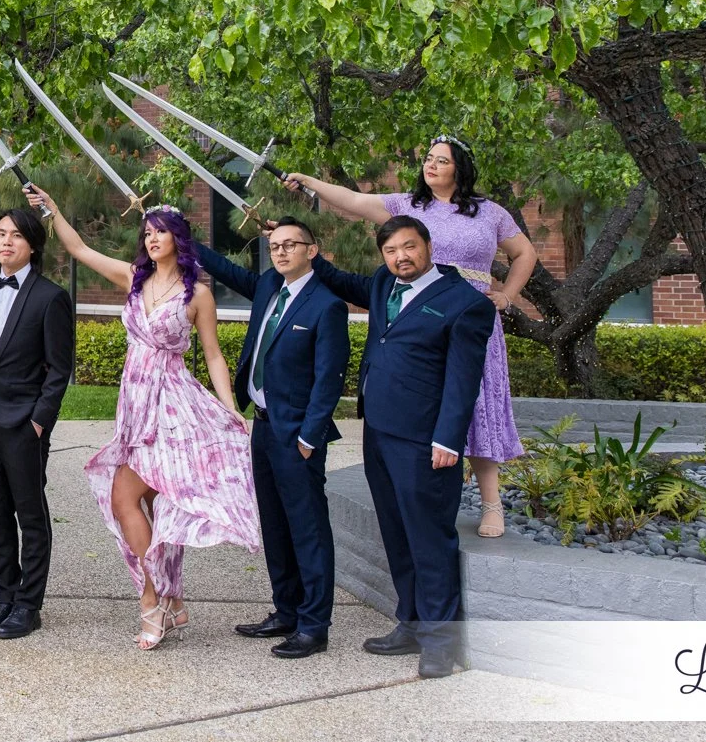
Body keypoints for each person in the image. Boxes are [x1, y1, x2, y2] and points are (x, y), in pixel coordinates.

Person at [26, 187, 260, 651]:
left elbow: (212, 355)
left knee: (129, 499)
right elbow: (79, 248)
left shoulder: (199, 295)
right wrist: (53, 208)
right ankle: (170, 600)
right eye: (148, 233)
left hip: (173, 406)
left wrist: (229, 406)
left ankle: (152, 601)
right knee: (143, 505)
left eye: (162, 233)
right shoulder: (134, 277)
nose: (152, 240)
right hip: (134, 406)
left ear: (179, 238)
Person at [284, 135, 537, 537]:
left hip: (473, 319)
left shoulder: (490, 213)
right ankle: (430, 497)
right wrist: (310, 182)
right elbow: (352, 200)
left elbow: (526, 254)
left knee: (478, 404)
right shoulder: (408, 205)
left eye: (442, 160)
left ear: (461, 169)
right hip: (420, 317)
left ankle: (492, 505)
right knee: (427, 405)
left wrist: (506, 296)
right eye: (428, 159)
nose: (431, 166)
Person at [306, 215, 496, 679]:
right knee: (396, 534)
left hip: (426, 442)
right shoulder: (382, 284)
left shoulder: (465, 304)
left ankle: (440, 643)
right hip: (380, 432)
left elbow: (463, 381)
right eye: (391, 251)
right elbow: (339, 279)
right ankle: (410, 623)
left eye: (409, 247)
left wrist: (448, 439)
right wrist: (310, 251)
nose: (401, 258)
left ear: (428, 245)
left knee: (430, 541)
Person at [196, 217, 349, 659]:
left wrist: (309, 436)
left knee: (307, 529)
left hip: (297, 434)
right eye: (275, 245)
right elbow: (227, 271)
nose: (280, 252)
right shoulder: (268, 287)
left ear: (312, 251)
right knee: (275, 526)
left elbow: (329, 380)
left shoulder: (326, 305)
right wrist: (187, 238)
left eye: (290, 245)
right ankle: (286, 611)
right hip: (262, 427)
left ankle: (314, 625)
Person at [0, 206, 75, 640]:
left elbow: (58, 368)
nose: (5, 242)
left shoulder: (50, 297)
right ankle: (4, 597)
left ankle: (29, 605)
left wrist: (39, 423)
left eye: (15, 235)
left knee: (29, 515)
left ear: (33, 244)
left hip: (23, 424)